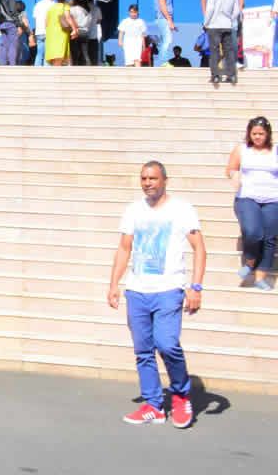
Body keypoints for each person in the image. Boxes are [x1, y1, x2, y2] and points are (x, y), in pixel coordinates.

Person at [107, 162, 205, 428]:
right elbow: (124, 248)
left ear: (164, 180)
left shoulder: (181, 209)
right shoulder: (133, 210)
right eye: (143, 178)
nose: (148, 182)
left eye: (153, 178)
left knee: (167, 344)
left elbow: (199, 248)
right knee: (143, 351)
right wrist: (114, 283)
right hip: (137, 290)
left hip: (169, 289)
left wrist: (195, 287)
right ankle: (153, 405)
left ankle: (181, 395)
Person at [226, 116, 278, 290]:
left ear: (267, 134)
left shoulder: (275, 150)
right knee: (253, 232)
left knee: (269, 238)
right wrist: (234, 176)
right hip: (247, 197)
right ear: (249, 134)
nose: (257, 137)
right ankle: (250, 260)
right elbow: (231, 168)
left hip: (272, 199)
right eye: (254, 133)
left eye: (261, 134)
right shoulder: (241, 149)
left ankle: (260, 277)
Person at [204, 0, 241, 84]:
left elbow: (210, 8)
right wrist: (230, 20)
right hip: (227, 25)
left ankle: (215, 76)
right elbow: (236, 11)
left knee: (214, 51)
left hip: (214, 25)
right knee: (228, 51)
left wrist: (206, 22)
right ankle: (232, 76)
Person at [45, 0, 76, 66]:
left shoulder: (51, 8)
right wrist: (74, 28)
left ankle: (55, 67)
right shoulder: (65, 6)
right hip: (61, 31)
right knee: (60, 50)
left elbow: (46, 22)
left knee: (53, 50)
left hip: (51, 32)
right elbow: (68, 17)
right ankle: (58, 68)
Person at [153, 0, 176, 67]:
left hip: (163, 19)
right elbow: (162, 5)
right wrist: (169, 20)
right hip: (163, 19)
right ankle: (164, 62)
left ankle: (163, 62)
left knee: (164, 40)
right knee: (167, 40)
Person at [32, 0, 55, 67]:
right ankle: (46, 71)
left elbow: (35, 18)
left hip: (39, 31)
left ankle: (37, 69)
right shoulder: (53, 4)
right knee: (48, 54)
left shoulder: (37, 4)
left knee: (39, 53)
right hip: (49, 31)